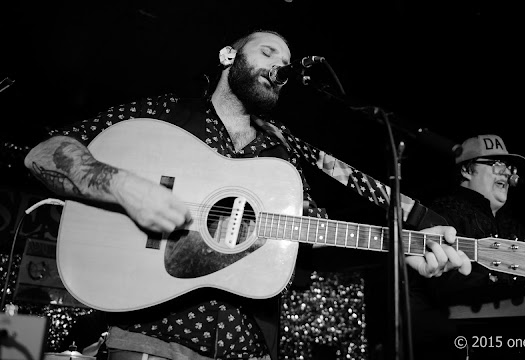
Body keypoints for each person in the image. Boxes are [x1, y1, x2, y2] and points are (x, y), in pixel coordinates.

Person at [23, 29, 470, 360]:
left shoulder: (284, 157)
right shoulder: (165, 116)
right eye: (268, 51)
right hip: (148, 343)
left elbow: (311, 241)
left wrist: (399, 251)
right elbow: (45, 153)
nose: (281, 66)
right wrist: (125, 187)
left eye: (287, 63)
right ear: (229, 55)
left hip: (247, 349)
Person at [407, 134, 525, 359]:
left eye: (509, 167)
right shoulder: (445, 211)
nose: (507, 172)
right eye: (496, 164)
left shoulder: (512, 225)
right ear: (466, 170)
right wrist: (512, 285)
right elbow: (444, 284)